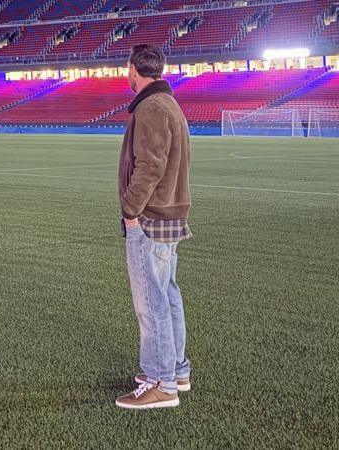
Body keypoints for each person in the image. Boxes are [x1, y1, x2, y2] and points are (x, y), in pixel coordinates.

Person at [115, 44, 193, 410]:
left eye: (126, 66)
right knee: (167, 294)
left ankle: (162, 383)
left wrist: (130, 209)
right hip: (169, 214)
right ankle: (176, 370)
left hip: (151, 218)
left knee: (151, 301)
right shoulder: (168, 103)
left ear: (133, 68)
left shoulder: (150, 107)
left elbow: (150, 166)